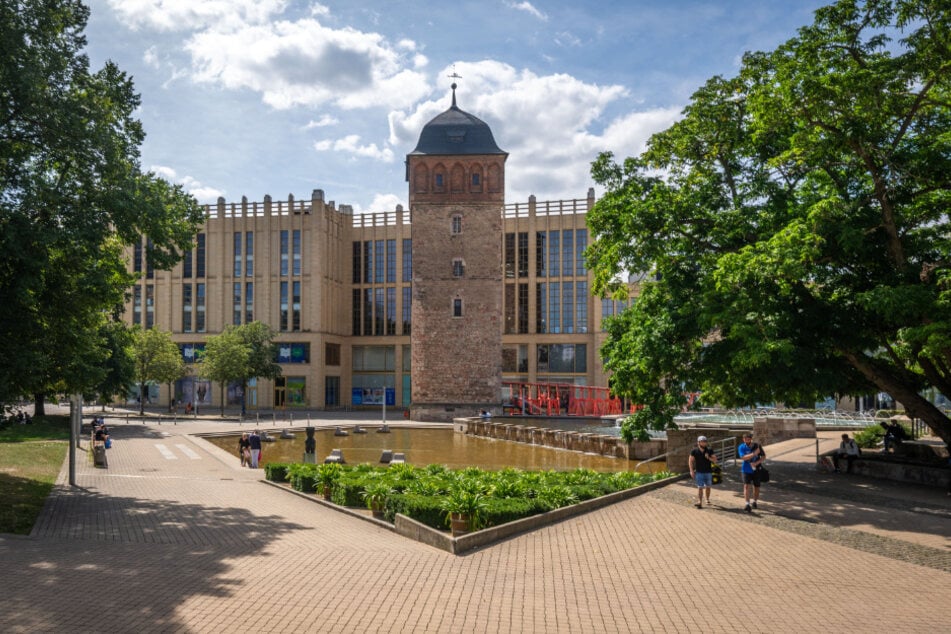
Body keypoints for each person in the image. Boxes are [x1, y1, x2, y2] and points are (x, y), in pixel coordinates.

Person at [737, 432, 765, 512]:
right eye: (745, 439)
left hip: (756, 470)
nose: (747, 440)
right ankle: (747, 504)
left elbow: (763, 457)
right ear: (743, 439)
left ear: (751, 439)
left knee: (756, 487)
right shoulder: (741, 447)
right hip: (745, 469)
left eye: (748, 439)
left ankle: (755, 501)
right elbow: (743, 457)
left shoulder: (757, 446)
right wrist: (754, 454)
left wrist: (756, 463)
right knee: (746, 486)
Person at [688, 435, 718, 508]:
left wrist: (709, 458)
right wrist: (691, 471)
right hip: (699, 472)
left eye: (705, 441)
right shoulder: (694, 451)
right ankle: (699, 502)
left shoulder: (709, 450)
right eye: (702, 442)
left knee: (708, 487)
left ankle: (707, 499)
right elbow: (690, 461)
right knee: (700, 487)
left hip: (708, 472)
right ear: (698, 442)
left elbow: (715, 460)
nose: (704, 443)